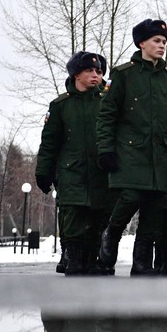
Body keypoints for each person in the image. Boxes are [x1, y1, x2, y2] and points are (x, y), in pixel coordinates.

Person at [97, 19, 167, 276]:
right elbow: (107, 116)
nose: (161, 45)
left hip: (160, 154)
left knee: (154, 211)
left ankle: (141, 264)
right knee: (131, 197)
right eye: (156, 41)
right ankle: (112, 232)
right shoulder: (123, 74)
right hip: (130, 152)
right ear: (141, 43)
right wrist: (106, 149)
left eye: (164, 41)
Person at [36, 51, 111, 275]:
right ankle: (72, 257)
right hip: (72, 172)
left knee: (99, 216)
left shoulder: (107, 101)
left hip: (101, 172)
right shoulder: (60, 105)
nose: (95, 75)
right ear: (76, 74)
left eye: (98, 71)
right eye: (89, 70)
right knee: (73, 217)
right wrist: (44, 172)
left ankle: (94, 259)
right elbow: (49, 143)